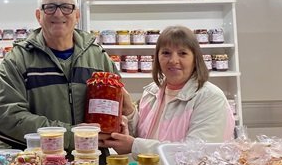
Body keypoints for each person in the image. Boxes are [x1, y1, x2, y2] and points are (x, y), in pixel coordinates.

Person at [0, 0, 132, 153]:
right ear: (38, 15)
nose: (58, 13)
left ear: (77, 15)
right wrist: (74, 136)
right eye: (50, 7)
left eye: (66, 7)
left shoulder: (98, 58)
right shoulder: (17, 60)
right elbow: (6, 118)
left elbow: (115, 107)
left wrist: (119, 122)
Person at [101, 25, 235, 157]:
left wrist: (134, 146)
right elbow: (144, 135)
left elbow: (196, 154)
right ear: (157, 58)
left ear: (195, 59)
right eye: (166, 53)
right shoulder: (152, 91)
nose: (173, 60)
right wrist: (129, 112)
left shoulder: (210, 97)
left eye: (183, 53)